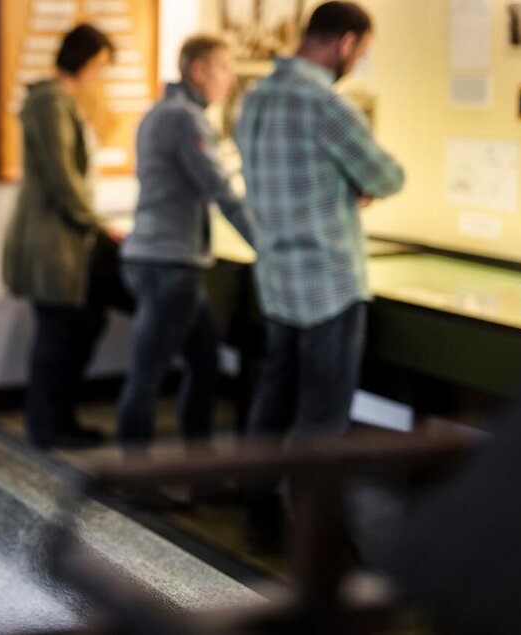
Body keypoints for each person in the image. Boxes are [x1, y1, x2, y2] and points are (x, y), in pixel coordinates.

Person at [234, 1, 405, 550]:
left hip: (278, 280)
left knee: (272, 404)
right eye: (362, 52)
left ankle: (260, 518)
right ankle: (321, 542)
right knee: (323, 421)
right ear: (346, 43)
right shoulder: (326, 105)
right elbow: (387, 175)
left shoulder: (255, 98)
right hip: (329, 283)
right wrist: (357, 187)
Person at [116, 35, 254, 449]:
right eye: (226, 69)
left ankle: (199, 470)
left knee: (204, 363)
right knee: (149, 374)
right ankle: (133, 482)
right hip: (168, 265)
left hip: (157, 258)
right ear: (199, 71)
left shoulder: (160, 112)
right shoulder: (184, 119)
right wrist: (269, 247)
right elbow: (221, 190)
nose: (230, 81)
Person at [2, 24, 129, 450]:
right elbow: (63, 178)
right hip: (53, 242)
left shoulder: (55, 101)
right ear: (90, 61)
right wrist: (97, 223)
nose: (102, 76)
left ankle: (59, 420)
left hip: (64, 239)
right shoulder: (51, 102)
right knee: (57, 335)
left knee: (78, 327)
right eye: (102, 67)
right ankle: (47, 427)